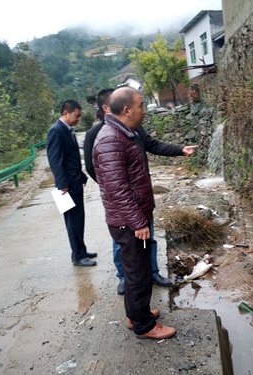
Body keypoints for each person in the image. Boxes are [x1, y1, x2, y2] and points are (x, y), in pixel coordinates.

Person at [84, 88, 198, 294]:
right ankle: (125, 279)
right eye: (141, 105)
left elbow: (153, 145)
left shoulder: (134, 129)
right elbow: (97, 172)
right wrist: (114, 193)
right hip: (125, 209)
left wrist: (180, 150)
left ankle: (151, 273)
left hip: (140, 203)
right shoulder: (101, 135)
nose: (144, 110)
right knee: (127, 252)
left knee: (146, 244)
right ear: (109, 107)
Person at [93, 87, 176, 339]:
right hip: (129, 222)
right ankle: (143, 326)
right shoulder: (111, 139)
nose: (144, 109)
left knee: (136, 271)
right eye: (141, 104)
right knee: (138, 273)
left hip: (132, 218)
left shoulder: (123, 133)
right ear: (127, 109)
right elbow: (117, 189)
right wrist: (139, 222)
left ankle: (137, 313)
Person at [47, 100, 97, 267]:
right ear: (65, 113)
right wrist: (62, 185)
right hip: (67, 186)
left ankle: (80, 250)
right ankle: (78, 255)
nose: (78, 119)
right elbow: (55, 161)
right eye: (76, 116)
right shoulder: (56, 131)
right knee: (73, 222)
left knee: (79, 219)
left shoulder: (67, 130)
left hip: (75, 182)